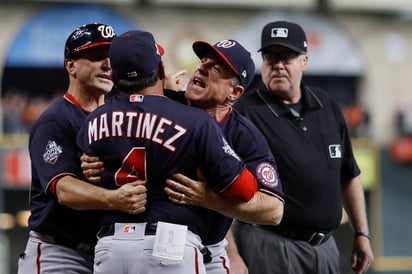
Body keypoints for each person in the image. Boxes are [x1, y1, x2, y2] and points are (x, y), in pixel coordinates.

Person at [75, 29, 261, 274]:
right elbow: (244, 189)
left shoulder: (94, 120)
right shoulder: (194, 120)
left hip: (111, 247)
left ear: (114, 75)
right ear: (161, 71)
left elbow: (85, 170)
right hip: (170, 243)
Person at [232, 20, 374, 274]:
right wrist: (232, 253)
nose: (277, 65)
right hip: (270, 244)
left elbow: (349, 175)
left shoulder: (327, 105)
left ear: (304, 62)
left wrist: (362, 233)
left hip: (326, 247)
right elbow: (221, 188)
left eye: (286, 57)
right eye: (269, 57)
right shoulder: (244, 112)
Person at [17, 23, 147, 274]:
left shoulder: (119, 115)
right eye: (97, 57)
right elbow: (64, 189)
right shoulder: (55, 120)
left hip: (107, 252)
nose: (107, 65)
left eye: (111, 58)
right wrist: (114, 199)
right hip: (60, 254)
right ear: (71, 65)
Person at [163, 39, 285, 274]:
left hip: (210, 251)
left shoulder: (243, 134)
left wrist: (210, 200)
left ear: (234, 92)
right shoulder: (166, 104)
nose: (202, 68)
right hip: (161, 245)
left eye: (216, 68)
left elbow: (274, 210)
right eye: (203, 61)